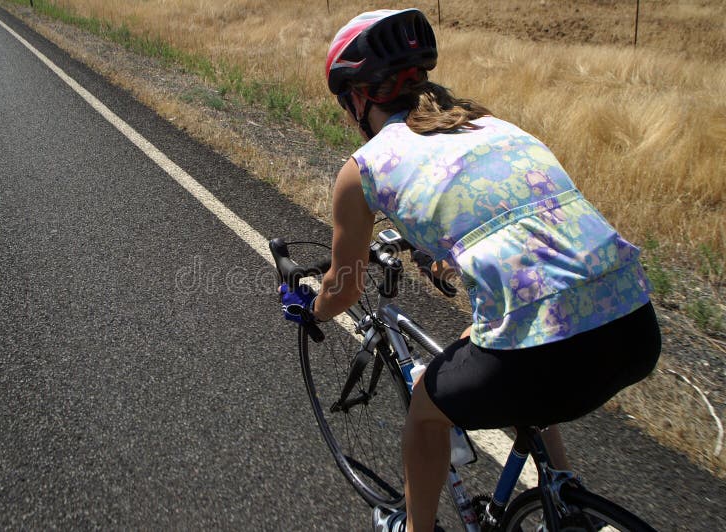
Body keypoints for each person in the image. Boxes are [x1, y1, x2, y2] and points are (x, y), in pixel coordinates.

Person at [280, 9, 661, 532]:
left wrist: (310, 309)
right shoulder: (490, 125)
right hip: (636, 327)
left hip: (549, 356)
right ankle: (568, 509)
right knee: (495, 338)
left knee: (425, 407)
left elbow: (343, 289)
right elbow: (509, 219)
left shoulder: (364, 168)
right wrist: (434, 253)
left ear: (360, 97)